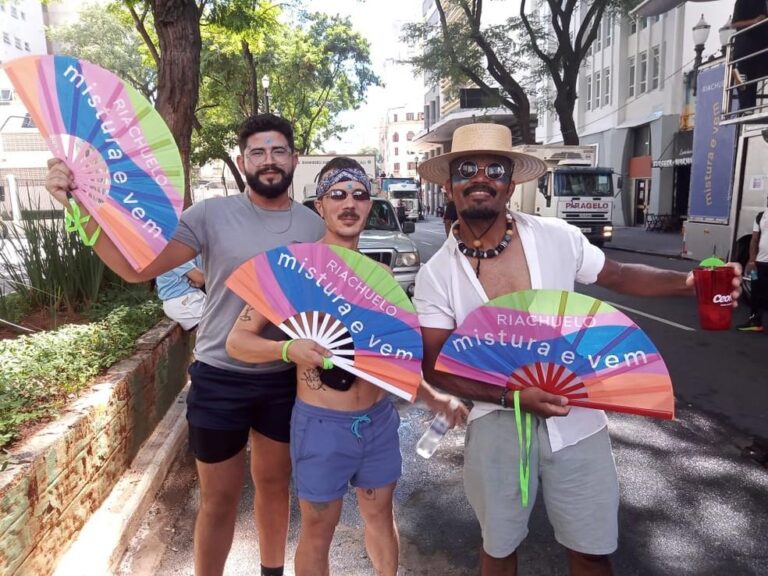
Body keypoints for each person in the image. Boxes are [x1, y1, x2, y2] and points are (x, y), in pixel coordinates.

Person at [412, 123, 742, 576]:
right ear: (450, 185)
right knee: (498, 547)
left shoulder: (556, 237)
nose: (481, 177)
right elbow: (437, 366)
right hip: (496, 425)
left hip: (578, 419)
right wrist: (512, 396)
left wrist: (688, 283)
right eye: (467, 168)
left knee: (591, 550)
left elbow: (620, 274)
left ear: (512, 184)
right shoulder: (435, 274)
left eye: (496, 169)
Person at [45, 114, 326, 576]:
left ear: (294, 159)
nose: (269, 160)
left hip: (283, 378)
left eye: (278, 151)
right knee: (218, 499)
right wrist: (78, 208)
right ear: (242, 161)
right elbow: (139, 268)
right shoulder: (210, 215)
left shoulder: (314, 228)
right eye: (258, 152)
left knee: (275, 486)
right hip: (220, 377)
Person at [226, 157, 467, 576]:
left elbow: (395, 358)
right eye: (337, 195)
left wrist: (435, 398)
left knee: (379, 515)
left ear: (369, 203)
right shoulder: (294, 267)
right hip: (321, 425)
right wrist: (289, 350)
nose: (349, 203)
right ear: (320, 206)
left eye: (359, 194)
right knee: (319, 526)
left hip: (376, 421)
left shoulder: (378, 276)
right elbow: (237, 342)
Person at [731, 0, 768, 112]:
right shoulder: (742, 1)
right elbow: (734, 24)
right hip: (745, 51)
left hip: (762, 50)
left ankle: (748, 110)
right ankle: (746, 110)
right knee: (745, 86)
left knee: (754, 79)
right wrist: (754, 21)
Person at [156, 256, 206, 330]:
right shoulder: (175, 252)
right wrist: (201, 281)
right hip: (183, 301)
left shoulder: (196, 251)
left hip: (193, 297)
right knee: (218, 331)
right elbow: (200, 278)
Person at [738, 206, 768, 332]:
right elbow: (754, 240)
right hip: (758, 264)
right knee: (755, 292)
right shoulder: (761, 216)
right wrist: (751, 260)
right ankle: (755, 321)